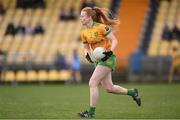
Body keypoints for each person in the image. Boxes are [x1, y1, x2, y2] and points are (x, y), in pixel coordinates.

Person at [78, 7, 141, 118]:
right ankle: (132, 92)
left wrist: (109, 52)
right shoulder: (83, 32)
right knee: (109, 88)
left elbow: (115, 40)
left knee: (92, 82)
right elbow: (86, 47)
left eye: (82, 16)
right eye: (80, 16)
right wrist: (87, 54)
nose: (80, 18)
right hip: (97, 61)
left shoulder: (101, 27)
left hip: (108, 58)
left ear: (89, 17)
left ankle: (91, 112)